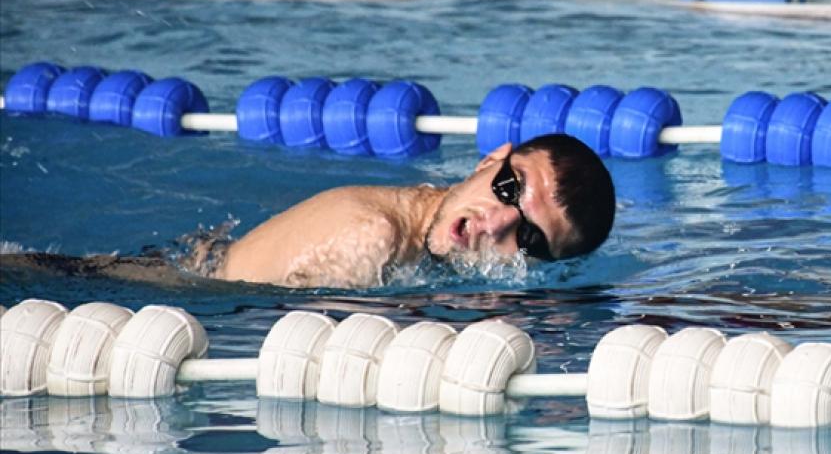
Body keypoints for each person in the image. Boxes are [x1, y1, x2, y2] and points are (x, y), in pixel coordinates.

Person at [214, 133, 615, 288]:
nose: (494, 225)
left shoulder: (421, 216)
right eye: (510, 189)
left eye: (528, 238)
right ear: (489, 160)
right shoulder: (370, 236)